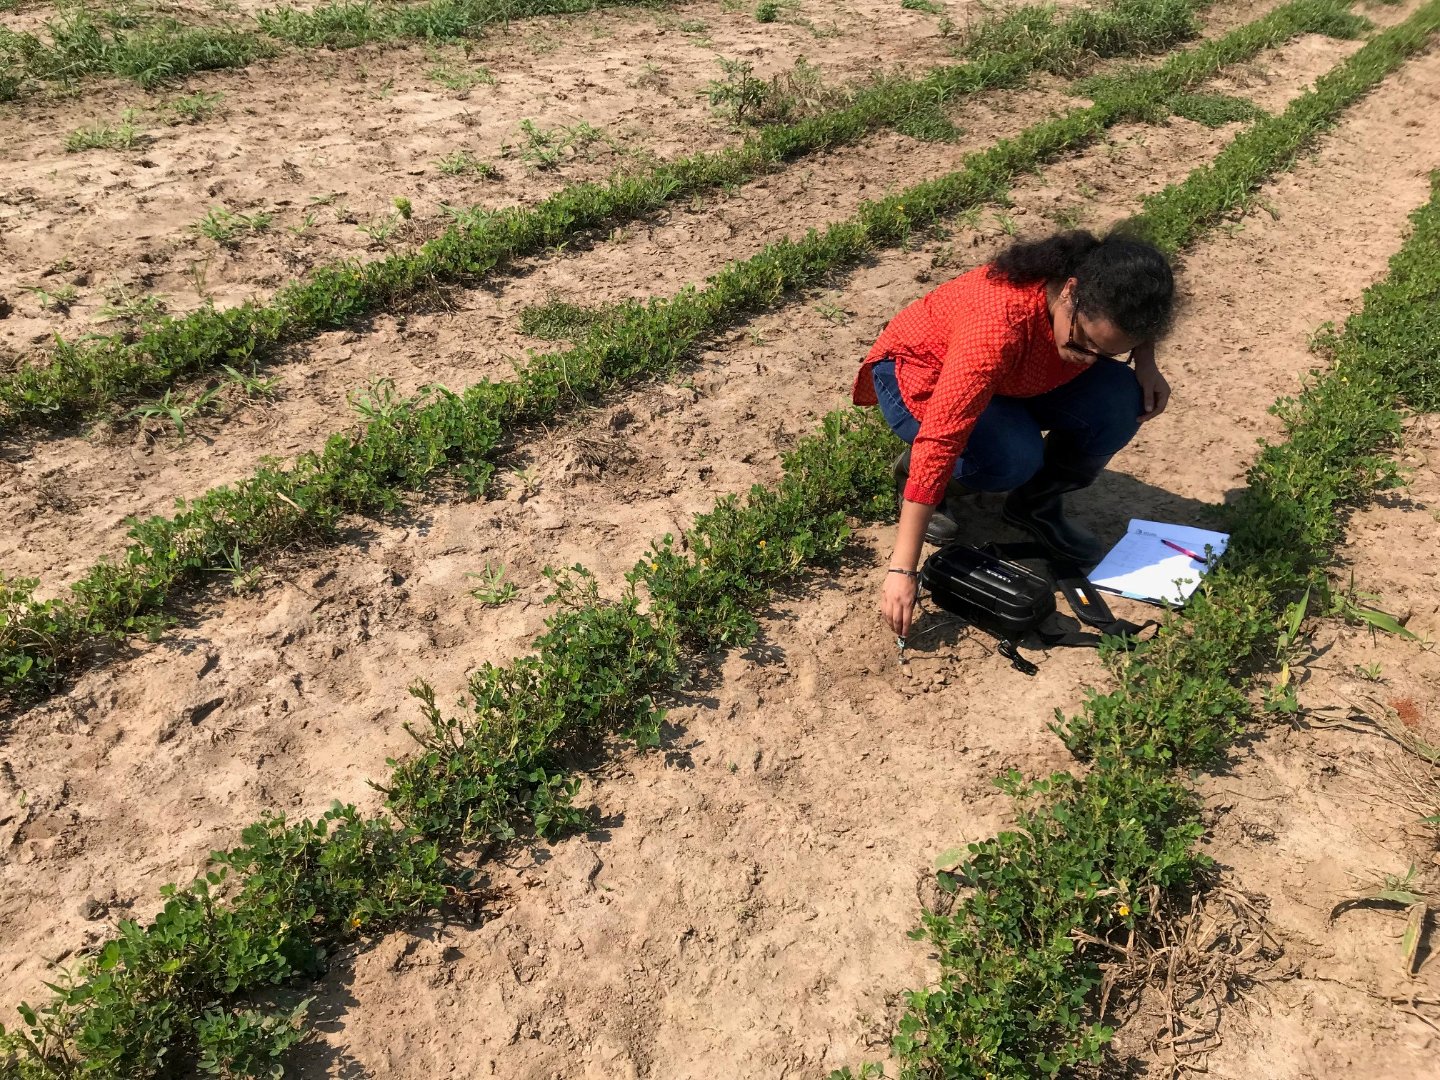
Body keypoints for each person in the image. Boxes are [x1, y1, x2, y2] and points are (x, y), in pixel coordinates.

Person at [853, 230, 1176, 638]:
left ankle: (1034, 506)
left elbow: (1137, 321)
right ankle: (911, 477)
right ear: (1070, 293)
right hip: (920, 375)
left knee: (1121, 400)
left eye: (1108, 352)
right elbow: (943, 436)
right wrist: (903, 567)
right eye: (1085, 341)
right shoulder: (998, 324)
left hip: (1016, 375)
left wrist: (1144, 363)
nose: (1089, 358)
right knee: (1011, 458)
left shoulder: (1101, 291)